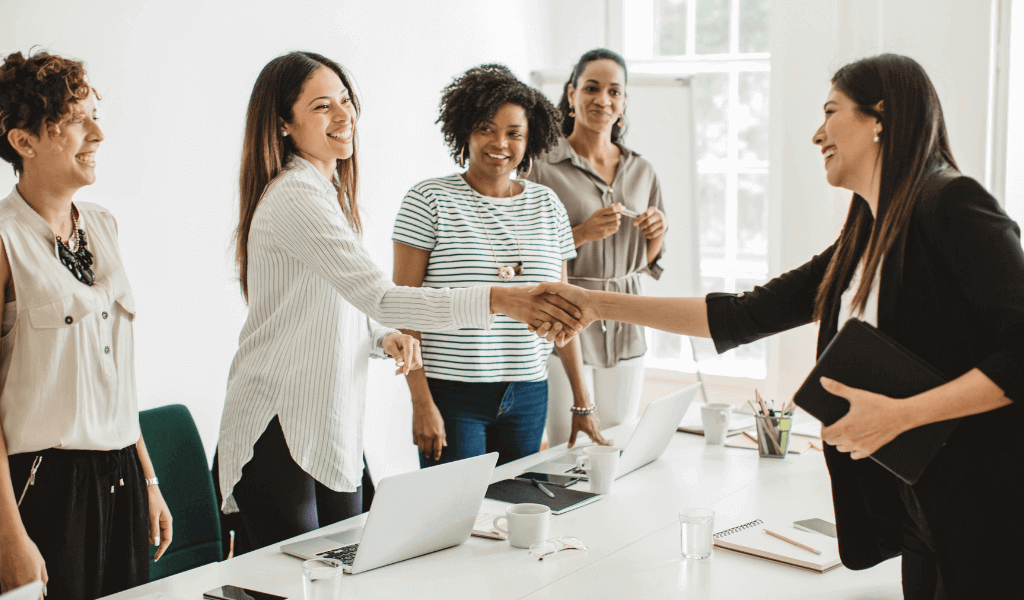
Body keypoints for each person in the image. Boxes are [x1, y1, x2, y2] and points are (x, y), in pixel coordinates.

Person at [531, 54, 1022, 598]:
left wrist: (902, 417)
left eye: (831, 111)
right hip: (919, 505)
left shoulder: (953, 202)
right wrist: (597, 305)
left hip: (984, 503)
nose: (817, 134)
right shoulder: (866, 233)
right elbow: (743, 314)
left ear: (879, 116)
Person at [215, 52, 584, 553]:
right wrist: (501, 299)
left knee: (344, 569)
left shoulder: (324, 193)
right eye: (323, 106)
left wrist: (381, 338)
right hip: (279, 421)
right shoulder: (296, 195)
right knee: (295, 579)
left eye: (345, 100)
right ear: (283, 122)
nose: (344, 116)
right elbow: (385, 296)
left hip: (326, 423)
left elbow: (338, 311)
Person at [0, 50, 172, 598]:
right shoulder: (4, 241)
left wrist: (148, 477)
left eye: (96, 114)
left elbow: (115, 372)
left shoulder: (103, 225)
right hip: (42, 485)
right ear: (22, 141)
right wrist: (9, 537)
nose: (97, 133)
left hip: (120, 474)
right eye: (76, 120)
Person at [392, 65, 610, 468]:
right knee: (455, 517)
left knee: (516, 512)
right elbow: (403, 310)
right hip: (453, 395)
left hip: (529, 393)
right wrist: (420, 402)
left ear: (530, 140)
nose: (500, 143)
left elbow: (566, 314)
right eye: (486, 129)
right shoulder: (428, 200)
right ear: (465, 131)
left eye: (514, 133)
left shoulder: (548, 206)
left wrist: (582, 401)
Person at [526, 49, 667, 447]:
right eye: (591, 88)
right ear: (571, 95)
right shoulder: (540, 166)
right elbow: (529, 254)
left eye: (614, 91)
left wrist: (656, 232)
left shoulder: (643, 170)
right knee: (564, 440)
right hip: (564, 316)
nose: (602, 99)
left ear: (623, 103)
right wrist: (583, 233)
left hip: (627, 319)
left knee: (620, 436)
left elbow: (649, 261)